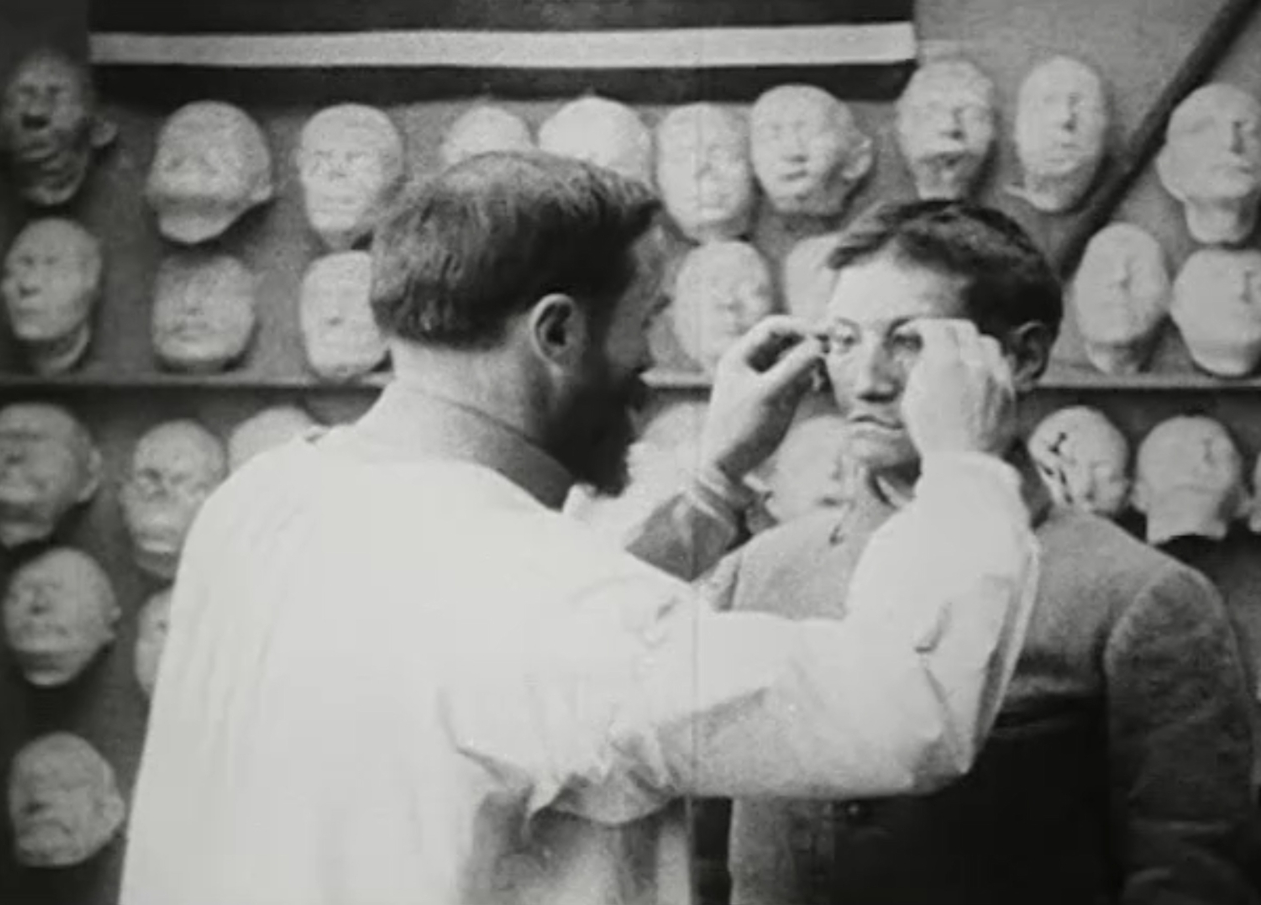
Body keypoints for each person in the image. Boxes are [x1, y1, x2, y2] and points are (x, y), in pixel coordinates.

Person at [121, 152, 1038, 905]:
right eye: (647, 323)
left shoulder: (267, 498)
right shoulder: (540, 604)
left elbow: (516, 661)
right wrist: (963, 467)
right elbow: (910, 706)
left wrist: (714, 481)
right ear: (556, 332)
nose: (653, 364)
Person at [718, 199, 1260, 905]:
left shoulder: (1139, 597)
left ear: (1023, 357)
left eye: (907, 341)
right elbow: (707, 856)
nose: (868, 379)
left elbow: (1191, 877)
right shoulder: (765, 571)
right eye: (844, 340)